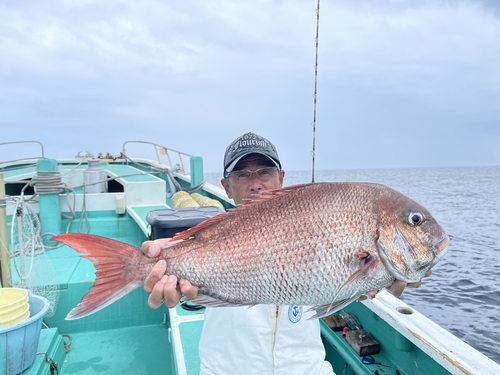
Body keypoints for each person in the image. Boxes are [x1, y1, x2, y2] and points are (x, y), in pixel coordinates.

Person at [142, 132, 430, 375]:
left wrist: (385, 282)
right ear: (226, 187)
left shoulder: (316, 218)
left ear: (281, 178)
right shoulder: (216, 236)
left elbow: (352, 281)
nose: (255, 183)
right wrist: (177, 285)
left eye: (265, 172)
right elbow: (196, 299)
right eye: (242, 174)